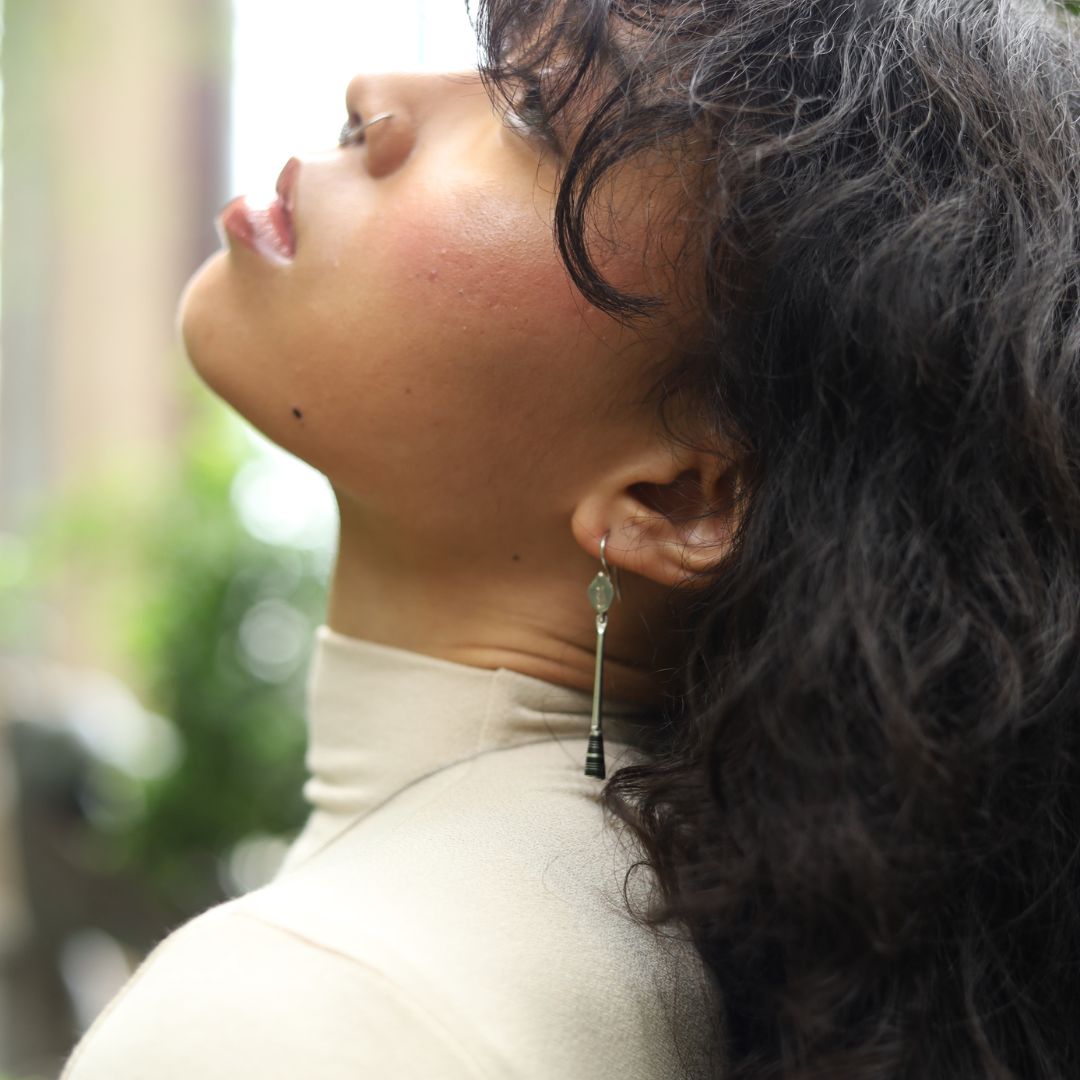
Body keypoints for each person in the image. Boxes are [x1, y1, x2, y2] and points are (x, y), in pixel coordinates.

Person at [62, 0, 1080, 1077]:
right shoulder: (666, 948)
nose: (374, 96)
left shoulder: (319, 1006)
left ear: (676, 502)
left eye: (533, 113)